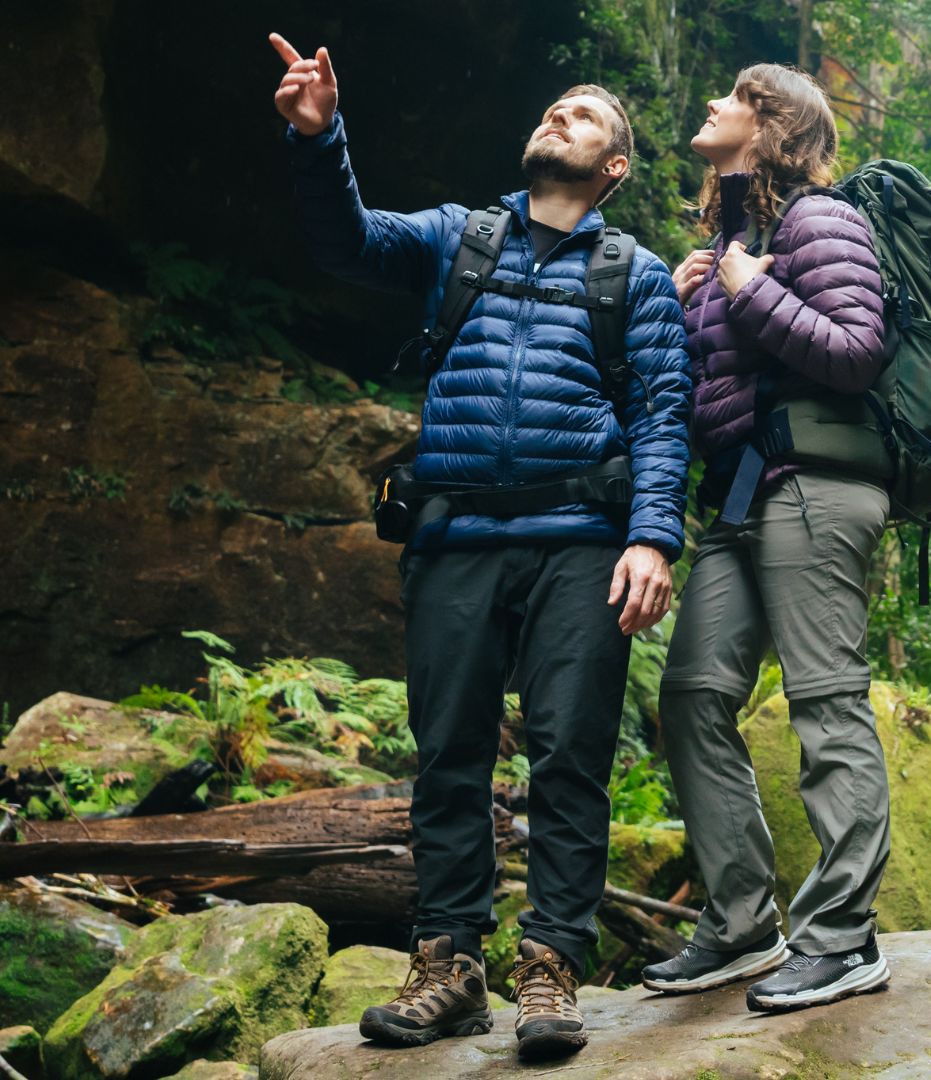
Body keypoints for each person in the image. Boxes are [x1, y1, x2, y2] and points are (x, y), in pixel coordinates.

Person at [269, 32, 692, 1060]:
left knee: (570, 756)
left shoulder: (633, 277)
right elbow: (348, 244)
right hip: (456, 535)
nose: (560, 117)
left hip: (582, 545)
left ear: (614, 167)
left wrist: (652, 538)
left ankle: (549, 968)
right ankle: (448, 963)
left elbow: (667, 414)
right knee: (450, 753)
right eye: (555, 108)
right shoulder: (459, 237)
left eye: (584, 116)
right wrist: (320, 140)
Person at [640, 63, 893, 1012]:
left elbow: (859, 351)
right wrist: (678, 297)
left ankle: (843, 937)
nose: (711, 103)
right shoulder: (726, 239)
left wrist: (750, 289)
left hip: (816, 490)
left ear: (771, 122)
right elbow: (697, 387)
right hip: (739, 503)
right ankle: (744, 922)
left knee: (826, 708)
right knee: (694, 694)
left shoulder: (819, 220)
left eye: (732, 97)